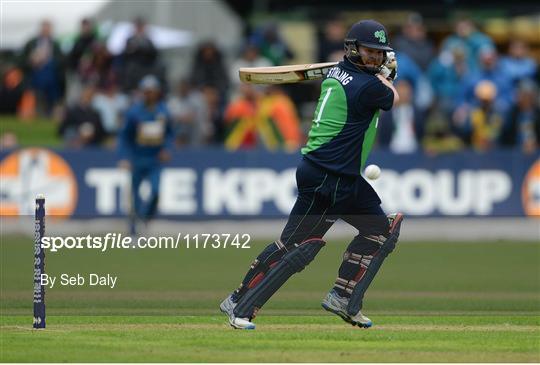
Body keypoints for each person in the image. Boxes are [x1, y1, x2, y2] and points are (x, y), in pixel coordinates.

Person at [220, 20, 404, 330]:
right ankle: (241, 303)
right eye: (369, 53)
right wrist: (388, 76)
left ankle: (343, 298)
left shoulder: (340, 73)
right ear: (352, 50)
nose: (375, 59)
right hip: (329, 178)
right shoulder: (367, 86)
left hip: (336, 175)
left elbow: (372, 84)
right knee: (298, 247)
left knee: (380, 230)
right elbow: (394, 99)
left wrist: (379, 74)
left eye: (379, 54)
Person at [118, 75, 174, 235]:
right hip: (137, 158)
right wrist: (124, 157)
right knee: (135, 196)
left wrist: (167, 149)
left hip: (155, 160)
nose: (149, 94)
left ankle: (146, 217)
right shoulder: (134, 112)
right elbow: (125, 136)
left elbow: (169, 133)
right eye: (146, 91)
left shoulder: (163, 110)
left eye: (152, 91)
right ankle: (133, 231)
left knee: (156, 191)